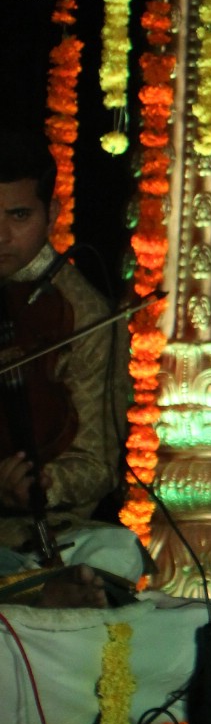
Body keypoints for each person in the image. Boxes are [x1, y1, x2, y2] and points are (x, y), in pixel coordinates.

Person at [0, 129, 141, 604]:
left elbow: (98, 464)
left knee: (116, 551)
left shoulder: (86, 315)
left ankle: (44, 588)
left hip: (49, 531)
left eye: (18, 216)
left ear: (51, 215)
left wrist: (40, 485)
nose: (0, 236)